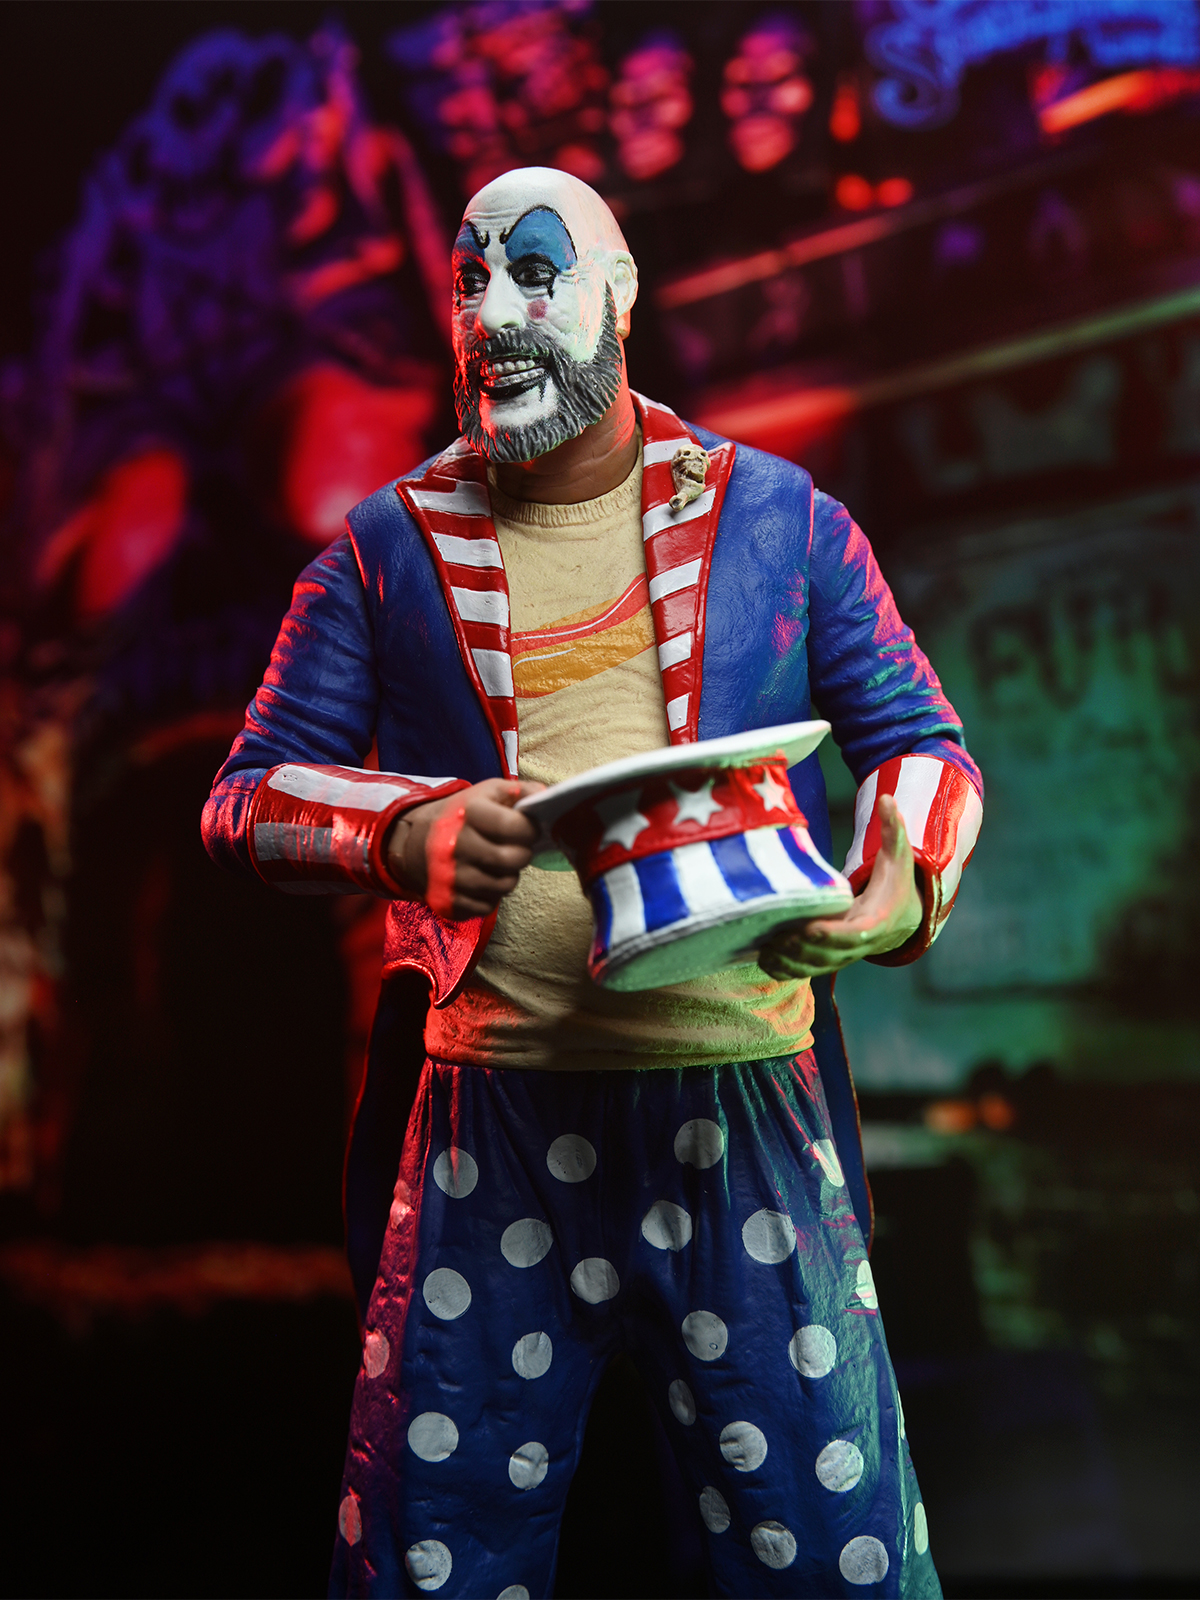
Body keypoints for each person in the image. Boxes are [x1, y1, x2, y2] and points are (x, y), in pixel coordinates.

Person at [204, 167, 982, 1599]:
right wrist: (405, 830)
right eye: (470, 281)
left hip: (742, 1112)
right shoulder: (383, 553)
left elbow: (921, 744)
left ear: (621, 295)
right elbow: (245, 797)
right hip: (487, 1124)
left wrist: (893, 889)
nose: (496, 314)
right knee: (430, 1563)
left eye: (536, 273)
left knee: (832, 1556)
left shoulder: (779, 520)